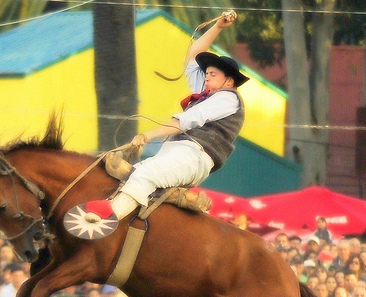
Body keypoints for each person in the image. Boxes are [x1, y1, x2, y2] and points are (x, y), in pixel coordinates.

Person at [80, 11, 248, 238]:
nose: (206, 77)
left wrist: (147, 136)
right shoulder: (208, 92)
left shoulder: (227, 98)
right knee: (132, 173)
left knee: (146, 173)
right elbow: (193, 55)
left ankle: (105, 221)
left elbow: (185, 122)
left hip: (195, 156)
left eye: (212, 74)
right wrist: (217, 26)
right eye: (206, 73)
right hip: (178, 152)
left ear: (229, 81)